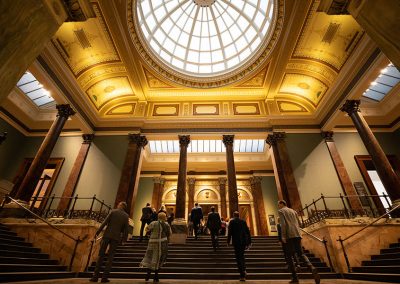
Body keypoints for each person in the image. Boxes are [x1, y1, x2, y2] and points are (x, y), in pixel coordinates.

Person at [278, 200, 320, 284]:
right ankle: (311, 268)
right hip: (297, 234)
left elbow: (283, 224)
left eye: (278, 204)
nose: (278, 206)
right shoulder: (294, 211)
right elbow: (299, 223)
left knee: (289, 256)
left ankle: (295, 278)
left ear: (282, 204)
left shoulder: (281, 211)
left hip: (289, 235)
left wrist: (283, 236)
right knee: (301, 253)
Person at [90, 201, 129, 283]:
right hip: (116, 238)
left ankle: (95, 277)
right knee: (110, 258)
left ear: (120, 205)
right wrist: (124, 240)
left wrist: (97, 233)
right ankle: (104, 277)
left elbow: (104, 222)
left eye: (118, 205)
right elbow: (126, 230)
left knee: (101, 255)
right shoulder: (126, 216)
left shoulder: (113, 211)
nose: (117, 205)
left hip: (107, 236)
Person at [140, 212, 171, 282]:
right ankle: (156, 277)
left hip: (152, 243)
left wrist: (151, 233)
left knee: (151, 258)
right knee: (159, 260)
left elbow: (147, 229)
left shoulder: (153, 223)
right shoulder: (166, 224)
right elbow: (169, 233)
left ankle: (147, 275)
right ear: (164, 217)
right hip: (163, 243)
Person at [227, 211, 251, 282]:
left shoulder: (232, 222)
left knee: (238, 258)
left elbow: (230, 232)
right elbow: (247, 231)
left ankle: (242, 275)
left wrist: (228, 241)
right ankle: (244, 269)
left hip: (236, 242)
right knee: (242, 256)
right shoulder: (243, 221)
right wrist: (249, 242)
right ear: (238, 215)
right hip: (243, 242)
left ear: (234, 216)